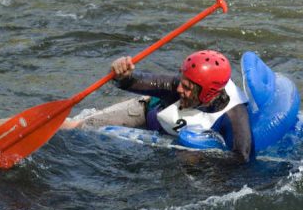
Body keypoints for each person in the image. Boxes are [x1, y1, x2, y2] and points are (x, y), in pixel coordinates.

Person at [65, 50, 255, 163]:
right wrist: (122, 75)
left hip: (179, 146)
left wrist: (202, 159)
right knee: (80, 127)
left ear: (207, 93)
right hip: (147, 112)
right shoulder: (179, 84)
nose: (178, 87)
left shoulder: (235, 116)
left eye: (187, 88)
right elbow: (135, 82)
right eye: (181, 81)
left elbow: (240, 158)